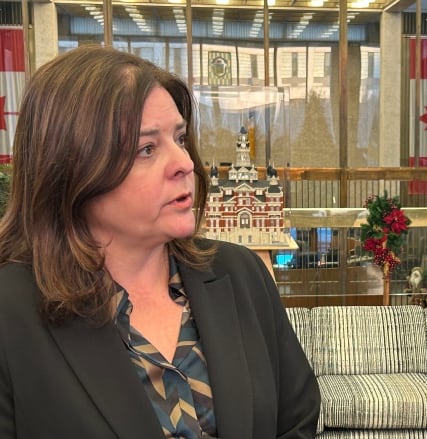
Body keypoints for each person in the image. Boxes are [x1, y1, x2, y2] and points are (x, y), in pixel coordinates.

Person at [0, 45, 320, 438]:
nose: (185, 163)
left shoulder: (241, 273)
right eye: (146, 149)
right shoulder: (11, 313)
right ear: (71, 170)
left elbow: (297, 419)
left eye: (180, 138)